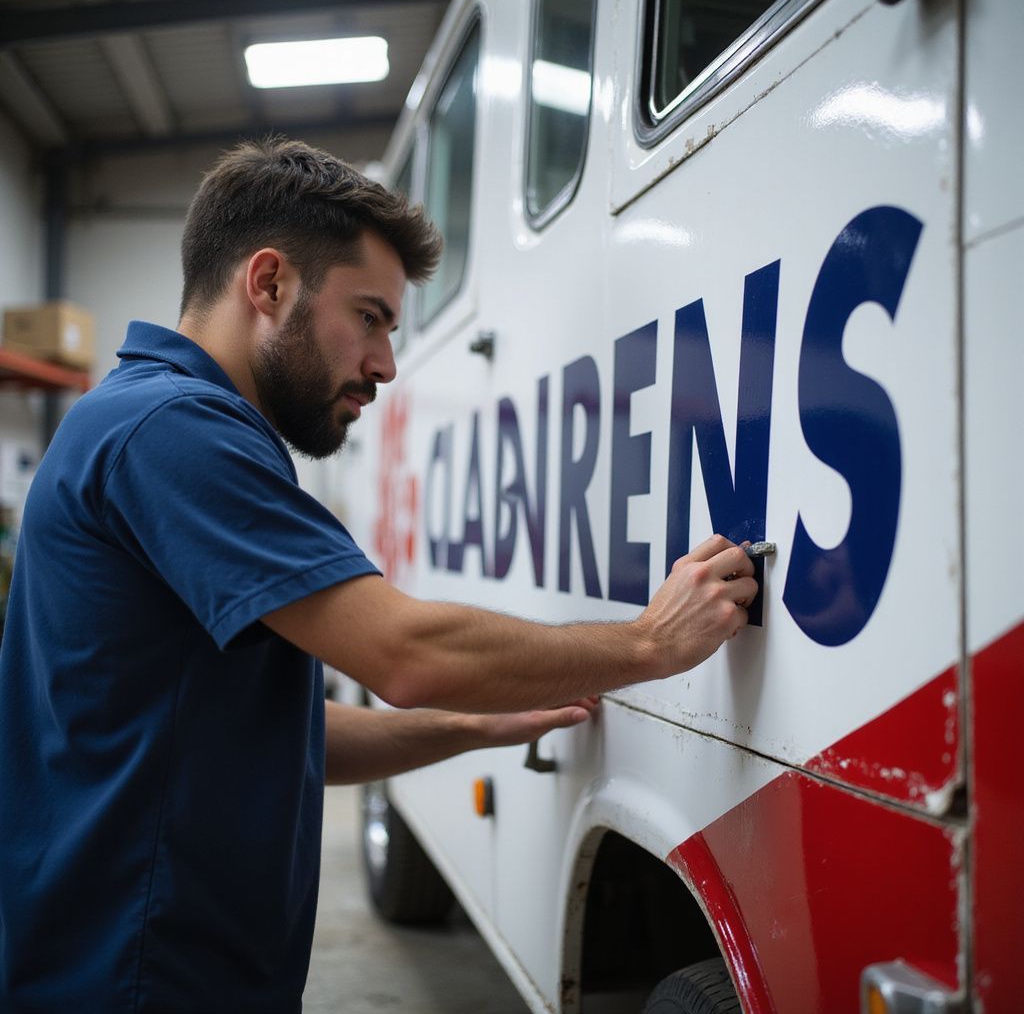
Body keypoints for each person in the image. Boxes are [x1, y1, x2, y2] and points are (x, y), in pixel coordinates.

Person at [0, 139, 757, 1013]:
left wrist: (471, 725)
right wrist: (649, 641)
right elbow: (403, 651)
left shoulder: (148, 419)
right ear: (270, 283)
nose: (387, 365)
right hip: (134, 975)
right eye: (369, 317)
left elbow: (280, 732)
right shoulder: (174, 429)